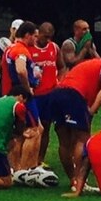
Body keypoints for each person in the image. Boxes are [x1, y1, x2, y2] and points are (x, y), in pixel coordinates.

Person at [45, 57, 101, 185]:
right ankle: (80, 181)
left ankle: (73, 180)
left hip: (57, 94)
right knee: (83, 139)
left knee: (64, 142)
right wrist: (92, 110)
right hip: (73, 95)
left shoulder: (89, 65)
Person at [0, 21, 44, 175]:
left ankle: (15, 168)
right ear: (27, 35)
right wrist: (27, 88)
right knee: (35, 130)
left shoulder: (9, 48)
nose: (36, 40)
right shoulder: (21, 50)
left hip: (9, 95)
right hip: (22, 96)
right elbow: (21, 70)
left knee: (17, 133)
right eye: (35, 36)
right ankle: (27, 168)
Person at [29, 22, 66, 168]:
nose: (48, 40)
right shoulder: (30, 48)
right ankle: (27, 159)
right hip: (34, 95)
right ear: (39, 34)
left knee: (45, 127)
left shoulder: (54, 48)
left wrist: (59, 83)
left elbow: (62, 67)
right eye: (45, 37)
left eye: (50, 37)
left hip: (50, 95)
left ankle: (39, 160)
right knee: (31, 128)